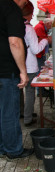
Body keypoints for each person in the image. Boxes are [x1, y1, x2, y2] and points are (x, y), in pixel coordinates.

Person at [0, 0, 34, 159]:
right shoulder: (11, 8)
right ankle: (13, 150)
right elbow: (15, 42)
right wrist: (23, 71)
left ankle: (2, 147)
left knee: (1, 111)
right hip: (7, 71)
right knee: (9, 112)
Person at [22, 1, 49, 126]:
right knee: (30, 92)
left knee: (20, 92)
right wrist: (45, 40)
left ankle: (23, 113)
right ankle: (28, 117)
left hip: (20, 63)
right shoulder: (29, 28)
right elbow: (36, 49)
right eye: (31, 14)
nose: (32, 16)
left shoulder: (17, 25)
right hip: (29, 64)